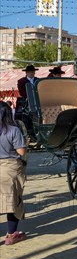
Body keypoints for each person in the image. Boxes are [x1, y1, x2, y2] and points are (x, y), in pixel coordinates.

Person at [0, 101, 28, 245]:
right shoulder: (13, 130)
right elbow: (21, 151)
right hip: (10, 167)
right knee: (13, 201)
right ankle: (11, 234)